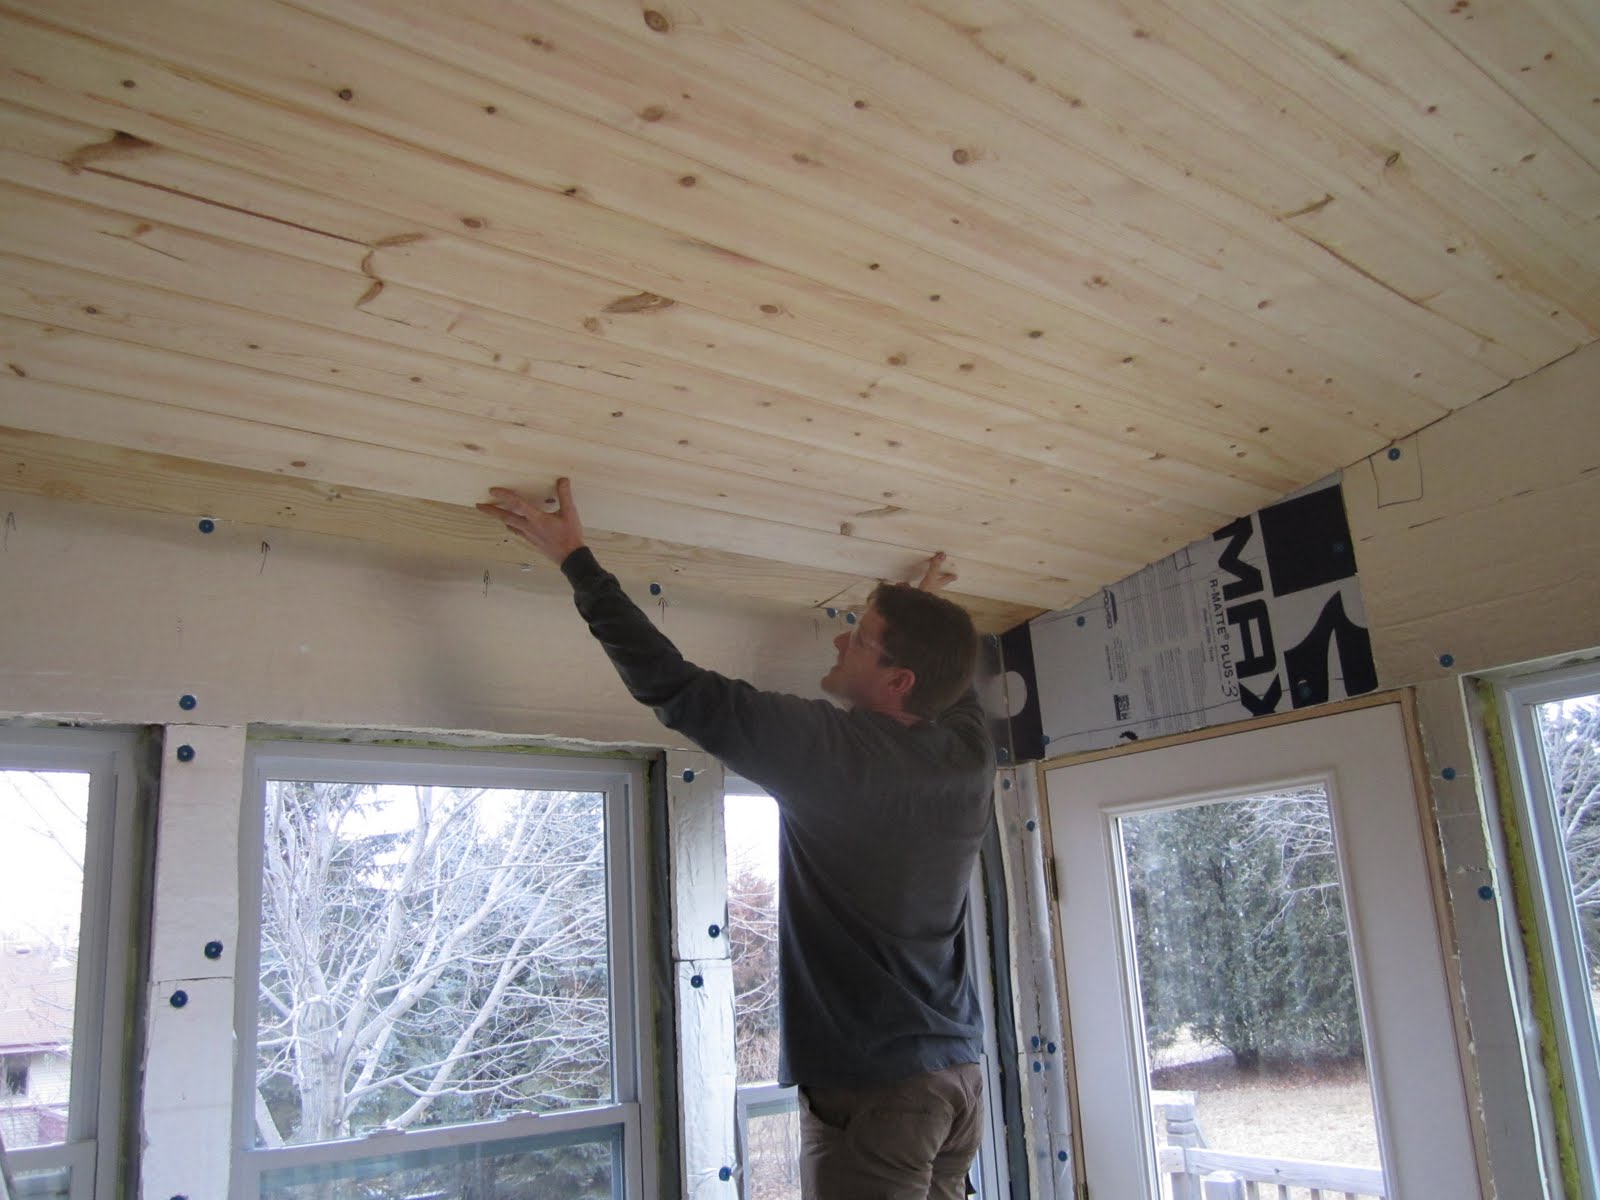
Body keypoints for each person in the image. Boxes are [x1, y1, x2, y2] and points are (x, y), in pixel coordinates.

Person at [479, 478, 996, 1200]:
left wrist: (576, 559)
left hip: (882, 1090)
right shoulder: (971, 757)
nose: (843, 635)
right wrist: (924, 605)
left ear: (898, 681)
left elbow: (675, 688)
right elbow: (953, 679)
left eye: (862, 635)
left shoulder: (833, 754)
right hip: (958, 1079)